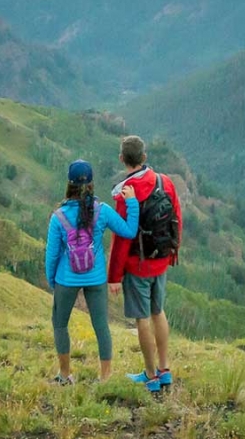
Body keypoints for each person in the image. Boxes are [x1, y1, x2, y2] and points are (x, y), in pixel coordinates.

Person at [45, 159, 138, 384]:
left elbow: (52, 254)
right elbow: (129, 231)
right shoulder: (102, 211)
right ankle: (105, 377)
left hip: (66, 279)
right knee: (101, 326)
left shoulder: (59, 217)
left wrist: (52, 281)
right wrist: (132, 203)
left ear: (69, 184)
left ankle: (64, 375)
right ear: (92, 183)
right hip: (96, 278)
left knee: (60, 324)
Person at [108, 136, 182, 393]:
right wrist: (173, 253)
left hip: (137, 265)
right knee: (157, 312)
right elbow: (176, 219)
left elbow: (121, 237)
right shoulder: (166, 182)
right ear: (144, 157)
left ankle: (150, 376)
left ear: (122, 159)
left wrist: (114, 276)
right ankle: (164, 369)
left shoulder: (127, 193)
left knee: (141, 319)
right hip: (161, 260)